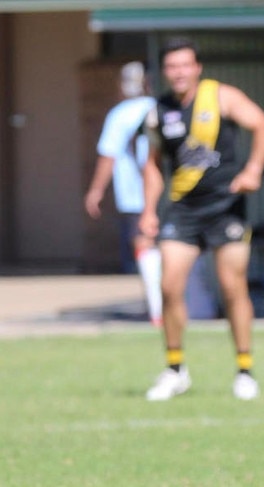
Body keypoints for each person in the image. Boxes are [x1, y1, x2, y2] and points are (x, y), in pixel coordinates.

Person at [140, 37, 264, 401]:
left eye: (185, 65)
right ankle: (175, 369)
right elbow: (153, 166)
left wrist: (253, 170)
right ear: (164, 71)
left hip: (225, 207)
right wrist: (148, 211)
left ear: (197, 67)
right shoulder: (158, 110)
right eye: (172, 66)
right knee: (169, 286)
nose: (179, 72)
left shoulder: (221, 96)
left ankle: (245, 369)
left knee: (232, 287)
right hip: (182, 209)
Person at [84, 61, 162, 326]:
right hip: (167, 191)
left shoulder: (121, 113)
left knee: (143, 244)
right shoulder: (160, 106)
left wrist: (95, 190)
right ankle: (167, 305)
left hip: (136, 194)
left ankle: (157, 309)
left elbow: (109, 155)